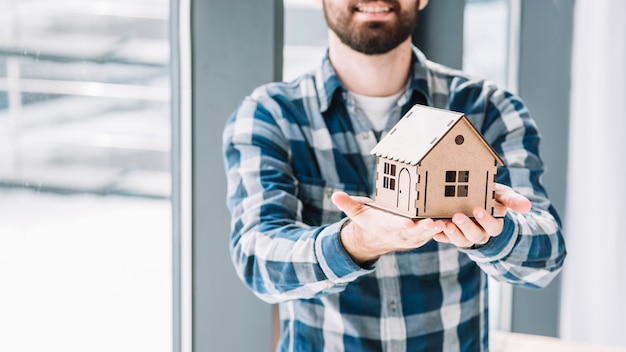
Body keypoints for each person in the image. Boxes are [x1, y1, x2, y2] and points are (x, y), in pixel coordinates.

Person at [222, 0, 566, 350]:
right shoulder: (269, 115)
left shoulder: (489, 108)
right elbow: (258, 262)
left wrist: (497, 233)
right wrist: (354, 243)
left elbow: (546, 258)